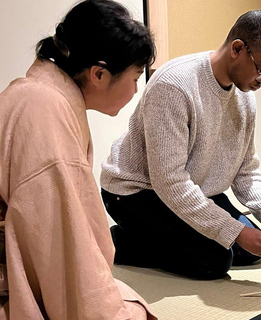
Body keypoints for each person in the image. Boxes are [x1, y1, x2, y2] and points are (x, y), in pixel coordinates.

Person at [100, 10, 261, 280]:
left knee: (254, 249)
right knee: (213, 261)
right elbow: (170, 182)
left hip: (192, 189)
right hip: (137, 193)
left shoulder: (245, 97)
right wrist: (233, 230)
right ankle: (122, 240)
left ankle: (163, 237)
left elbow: (246, 170)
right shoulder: (174, 85)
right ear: (237, 48)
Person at [0, 0, 157, 318]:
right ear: (99, 73)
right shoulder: (44, 111)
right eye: (135, 76)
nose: (136, 89)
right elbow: (63, 253)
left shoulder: (37, 95)